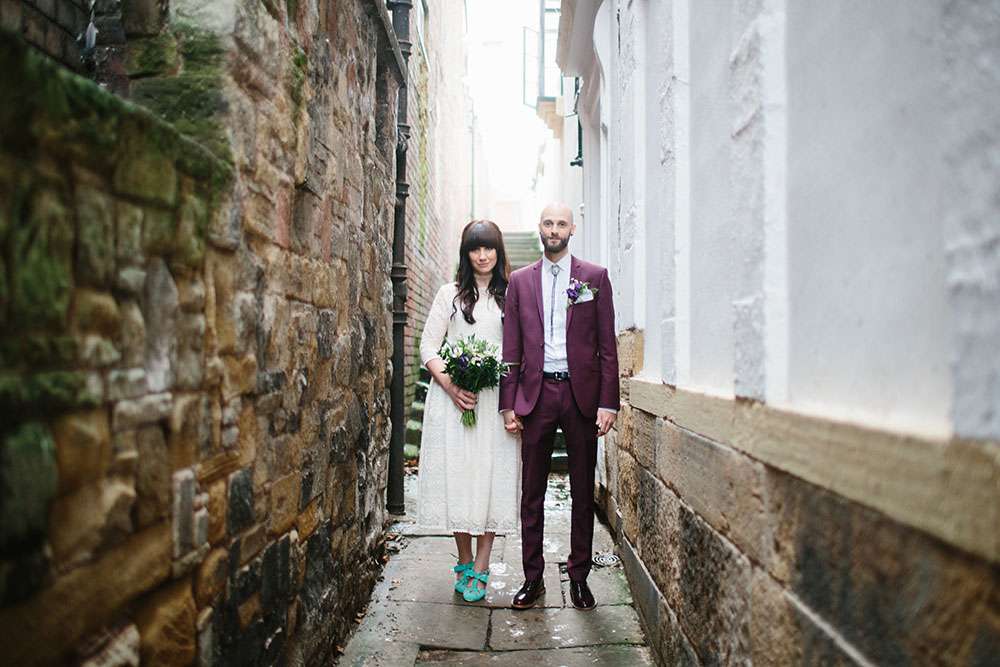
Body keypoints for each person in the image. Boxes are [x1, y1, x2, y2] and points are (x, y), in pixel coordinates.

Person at [499, 202, 619, 611]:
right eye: (548, 223)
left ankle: (579, 577)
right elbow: (511, 347)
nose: (554, 230)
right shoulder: (520, 281)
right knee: (531, 492)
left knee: (582, 492)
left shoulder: (594, 278)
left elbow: (607, 347)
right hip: (536, 395)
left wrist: (608, 402)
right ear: (540, 227)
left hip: (580, 395)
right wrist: (508, 402)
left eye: (561, 224)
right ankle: (532, 578)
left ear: (572, 229)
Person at [416, 220, 521, 602]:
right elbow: (428, 347)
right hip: (454, 400)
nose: (482, 255)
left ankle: (482, 564)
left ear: (498, 251)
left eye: (489, 247)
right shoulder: (449, 295)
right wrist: (451, 386)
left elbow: (520, 350)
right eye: (475, 248)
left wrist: (515, 402)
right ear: (466, 254)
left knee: (491, 477)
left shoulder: (511, 295)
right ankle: (463, 558)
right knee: (459, 477)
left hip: (495, 401)